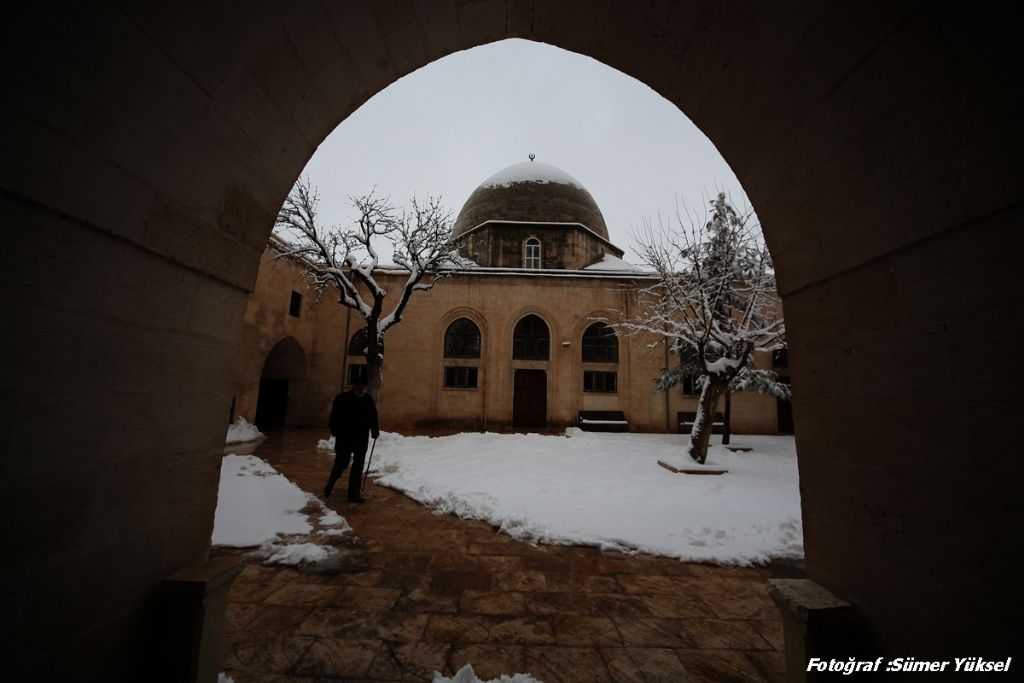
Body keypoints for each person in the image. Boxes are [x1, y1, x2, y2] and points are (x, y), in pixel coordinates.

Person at [323, 379, 379, 503]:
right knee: (342, 463)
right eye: (360, 386)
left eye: (364, 386)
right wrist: (334, 430)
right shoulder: (342, 398)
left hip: (361, 438)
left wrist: (375, 430)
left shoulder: (368, 400)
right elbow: (334, 416)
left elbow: (373, 417)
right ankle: (331, 483)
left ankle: (353, 495)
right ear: (354, 386)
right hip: (345, 438)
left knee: (358, 466)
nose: (362, 389)